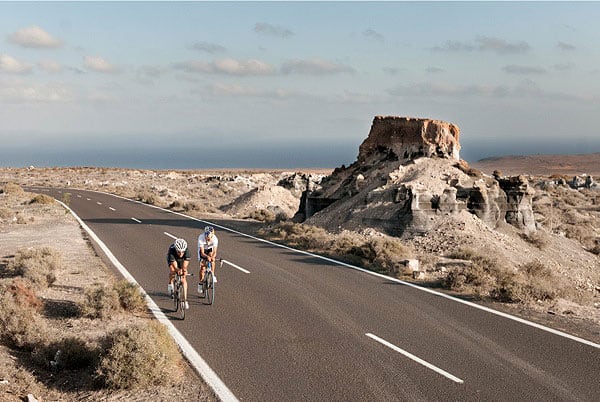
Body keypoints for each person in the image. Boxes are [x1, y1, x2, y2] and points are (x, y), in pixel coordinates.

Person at [167, 238, 190, 309]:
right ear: (176, 249)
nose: (181, 254)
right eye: (179, 252)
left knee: (183, 279)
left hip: (181, 261)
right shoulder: (172, 250)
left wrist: (184, 270)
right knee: (173, 271)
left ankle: (185, 300)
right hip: (173, 259)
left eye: (182, 252)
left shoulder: (187, 251)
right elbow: (174, 266)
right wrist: (177, 270)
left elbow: (185, 265)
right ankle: (170, 283)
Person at [197, 225, 219, 294]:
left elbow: (215, 251)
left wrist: (212, 257)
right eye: (207, 238)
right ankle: (200, 283)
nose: (208, 239)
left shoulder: (215, 239)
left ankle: (212, 274)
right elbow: (202, 252)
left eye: (209, 238)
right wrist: (206, 257)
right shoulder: (201, 238)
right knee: (202, 268)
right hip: (203, 250)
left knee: (212, 259)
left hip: (210, 249)